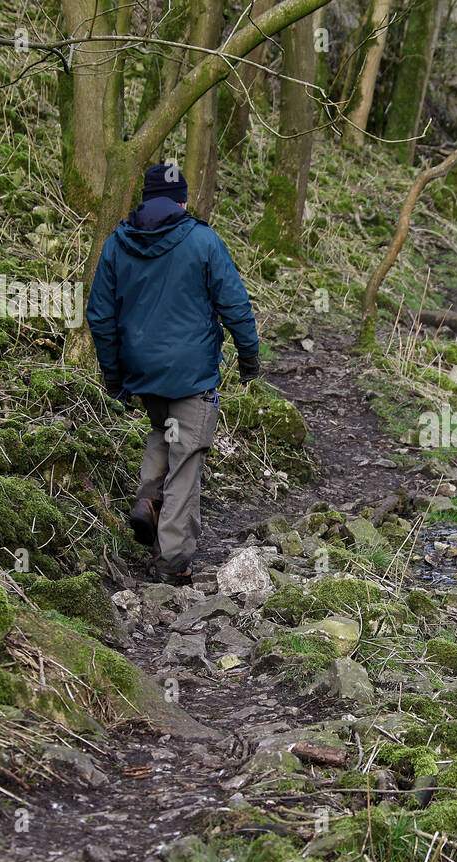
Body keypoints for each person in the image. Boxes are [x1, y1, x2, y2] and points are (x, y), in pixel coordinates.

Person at [85, 163, 262, 583]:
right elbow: (235, 304)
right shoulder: (203, 240)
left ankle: (147, 500)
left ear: (144, 199)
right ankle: (173, 561)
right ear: (182, 200)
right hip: (191, 374)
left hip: (143, 373)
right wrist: (249, 357)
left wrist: (114, 375)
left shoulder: (116, 243)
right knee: (187, 457)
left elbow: (99, 314)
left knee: (165, 431)